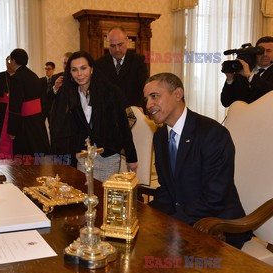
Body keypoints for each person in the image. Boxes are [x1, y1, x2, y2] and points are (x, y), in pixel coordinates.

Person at [144, 72, 252, 249]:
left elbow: (214, 198)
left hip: (218, 227)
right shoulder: (160, 136)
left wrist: (172, 223)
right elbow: (166, 190)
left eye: (155, 96)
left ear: (178, 94)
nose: (148, 105)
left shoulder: (212, 134)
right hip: (183, 222)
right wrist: (145, 214)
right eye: (146, 99)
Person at [49, 51, 138, 182]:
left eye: (83, 68)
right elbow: (61, 125)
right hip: (83, 155)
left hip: (107, 154)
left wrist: (131, 157)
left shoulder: (110, 92)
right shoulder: (70, 94)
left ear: (92, 69)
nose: (79, 74)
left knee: (104, 195)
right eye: (74, 70)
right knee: (84, 193)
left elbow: (123, 125)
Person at [0, 48, 49, 158]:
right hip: (36, 122)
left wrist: (12, 130)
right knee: (36, 155)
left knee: (23, 158)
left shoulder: (16, 78)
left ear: (14, 61)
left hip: (24, 124)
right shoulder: (33, 75)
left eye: (10, 60)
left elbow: (15, 105)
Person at [96, 26, 147, 110]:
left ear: (127, 40)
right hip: (108, 113)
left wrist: (138, 109)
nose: (117, 49)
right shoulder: (99, 64)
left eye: (120, 44)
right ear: (107, 44)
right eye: (112, 46)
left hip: (133, 112)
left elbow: (143, 89)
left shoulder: (139, 61)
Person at [221, 36, 273, 107]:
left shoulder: (247, 72)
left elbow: (269, 92)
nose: (265, 54)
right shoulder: (241, 69)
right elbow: (225, 102)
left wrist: (250, 76)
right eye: (260, 51)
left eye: (269, 51)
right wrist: (230, 79)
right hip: (240, 116)